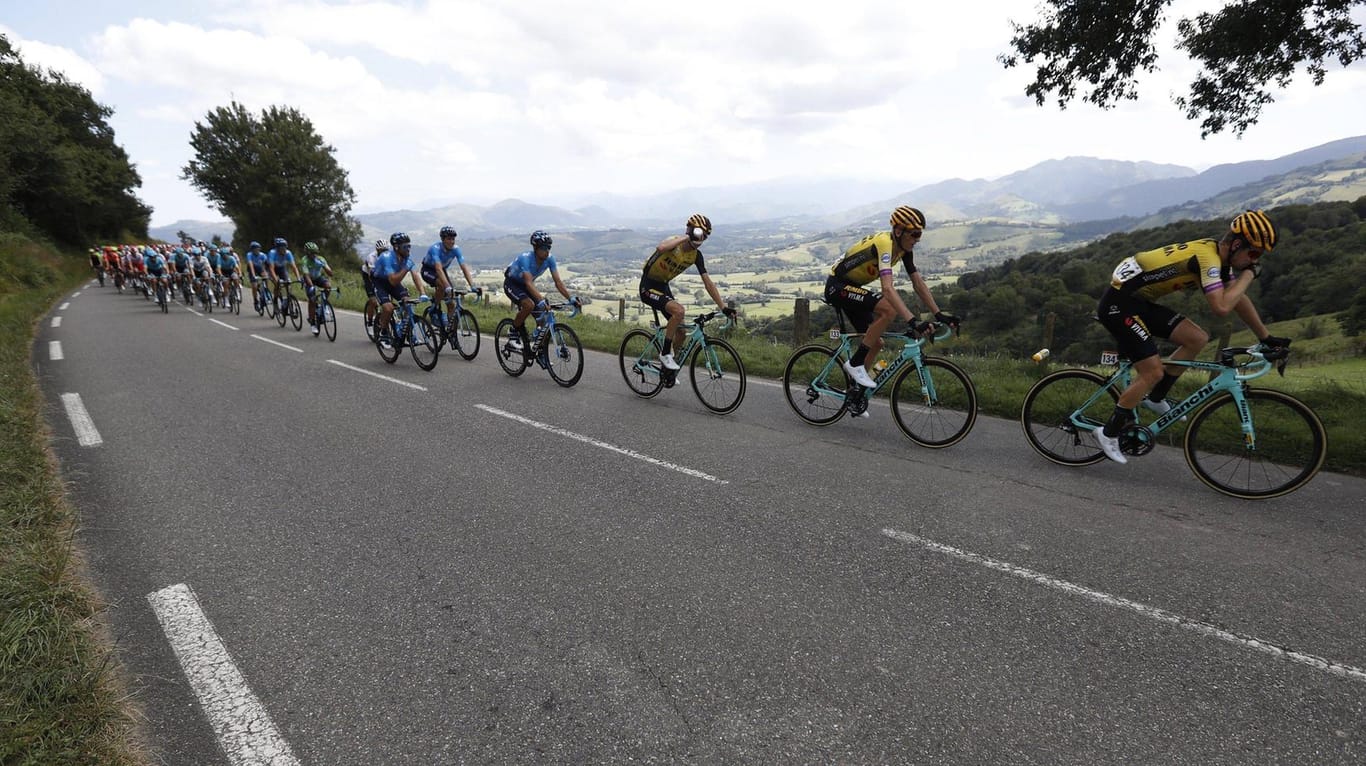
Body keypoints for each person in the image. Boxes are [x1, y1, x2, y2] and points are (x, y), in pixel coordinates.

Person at [1093, 209, 1290, 464]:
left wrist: (1266, 337)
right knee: (1152, 372)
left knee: (1196, 338)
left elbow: (1237, 298)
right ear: (1237, 244)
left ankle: (1155, 398)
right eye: (1253, 254)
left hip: (1138, 301)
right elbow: (1221, 307)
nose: (1253, 261)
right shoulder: (1207, 258)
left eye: (1258, 258)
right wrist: (1249, 276)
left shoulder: (1219, 258)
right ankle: (1108, 433)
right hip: (1119, 305)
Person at [824, 205, 959, 389]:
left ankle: (855, 393)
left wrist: (939, 314)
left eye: (919, 234)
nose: (917, 240)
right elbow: (887, 289)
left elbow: (918, 284)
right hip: (837, 286)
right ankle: (855, 364)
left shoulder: (903, 249)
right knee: (888, 310)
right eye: (914, 234)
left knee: (876, 342)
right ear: (898, 231)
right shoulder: (884, 244)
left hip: (852, 287)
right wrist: (913, 321)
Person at [639, 213, 736, 370]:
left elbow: (708, 283)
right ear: (690, 229)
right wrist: (687, 237)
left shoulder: (696, 256)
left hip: (663, 286)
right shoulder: (674, 242)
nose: (700, 239)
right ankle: (665, 354)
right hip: (648, 286)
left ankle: (667, 370)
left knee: (682, 333)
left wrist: (723, 307)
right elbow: (661, 248)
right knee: (679, 311)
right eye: (699, 233)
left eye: (704, 237)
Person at [501, 230, 577, 354]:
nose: (547, 251)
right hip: (512, 284)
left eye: (549, 247)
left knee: (543, 318)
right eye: (543, 248)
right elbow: (528, 283)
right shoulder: (525, 259)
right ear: (535, 248)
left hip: (526, 285)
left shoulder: (550, 259)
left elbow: (558, 282)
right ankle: (513, 333)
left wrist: (570, 298)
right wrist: (541, 300)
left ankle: (539, 350)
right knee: (529, 305)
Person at [371, 232, 426, 348]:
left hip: (393, 281)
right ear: (396, 247)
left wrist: (422, 293)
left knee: (408, 303)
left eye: (409, 246)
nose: (408, 249)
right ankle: (384, 332)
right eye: (405, 247)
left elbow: (415, 275)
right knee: (388, 308)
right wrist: (406, 268)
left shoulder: (407, 257)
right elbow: (393, 281)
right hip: (380, 282)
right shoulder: (386, 257)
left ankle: (407, 331)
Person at [421, 225, 481, 326]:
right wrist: (447, 286)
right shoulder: (435, 249)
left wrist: (472, 285)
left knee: (451, 303)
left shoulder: (456, 249)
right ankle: (434, 308)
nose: (452, 242)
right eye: (449, 239)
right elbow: (438, 269)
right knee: (442, 285)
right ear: (442, 240)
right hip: (428, 270)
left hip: (442, 270)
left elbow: (464, 268)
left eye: (453, 239)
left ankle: (450, 330)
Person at [300, 241, 333, 335]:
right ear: (307, 253)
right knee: (312, 300)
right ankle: (312, 322)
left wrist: (323, 266)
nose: (314, 255)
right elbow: (306, 276)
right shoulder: (304, 260)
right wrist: (311, 287)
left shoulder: (321, 259)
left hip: (318, 277)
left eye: (315, 252)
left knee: (328, 287)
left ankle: (325, 304)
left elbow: (331, 273)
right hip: (309, 279)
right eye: (312, 252)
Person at [268, 237, 302, 313]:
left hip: (282, 268)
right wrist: (276, 280)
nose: (284, 249)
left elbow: (294, 266)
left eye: (285, 247)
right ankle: (275, 302)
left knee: (288, 285)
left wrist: (298, 277)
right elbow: (271, 268)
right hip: (273, 269)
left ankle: (288, 302)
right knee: (277, 284)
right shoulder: (272, 253)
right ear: (277, 248)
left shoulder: (288, 253)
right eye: (282, 248)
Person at [362, 239, 388, 335]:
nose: (383, 252)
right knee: (373, 301)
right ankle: (369, 322)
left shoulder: (388, 256)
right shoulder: (371, 257)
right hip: (368, 275)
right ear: (377, 250)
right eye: (381, 250)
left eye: (385, 250)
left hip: (380, 275)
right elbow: (372, 275)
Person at [244, 241, 269, 310]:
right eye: (255, 249)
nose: (257, 251)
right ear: (252, 250)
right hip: (252, 269)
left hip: (260, 268)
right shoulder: (249, 255)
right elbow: (251, 265)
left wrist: (265, 272)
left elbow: (265, 265)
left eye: (258, 249)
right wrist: (253, 275)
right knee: (254, 286)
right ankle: (255, 300)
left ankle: (266, 290)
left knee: (266, 277)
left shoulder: (263, 255)